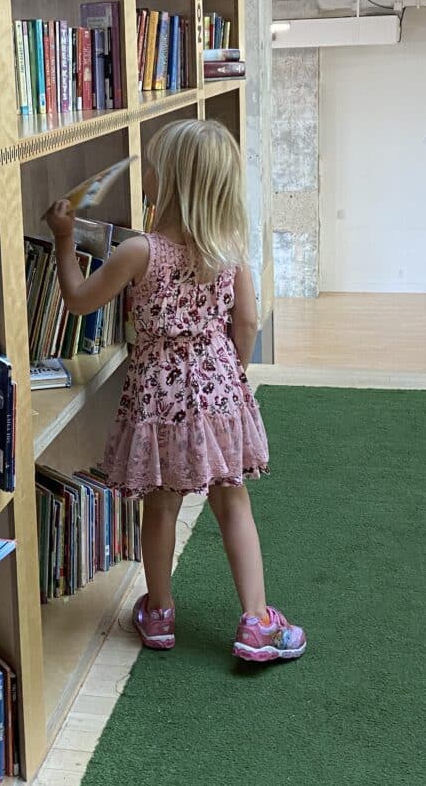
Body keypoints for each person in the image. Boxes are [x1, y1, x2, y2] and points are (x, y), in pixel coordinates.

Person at [45, 119, 306, 663]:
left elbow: (77, 300)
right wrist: (227, 371)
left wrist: (65, 237)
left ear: (173, 185)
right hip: (217, 390)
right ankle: (256, 621)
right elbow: (249, 324)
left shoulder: (141, 251)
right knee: (233, 504)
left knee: (161, 507)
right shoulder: (230, 253)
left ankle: (159, 613)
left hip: (158, 400)